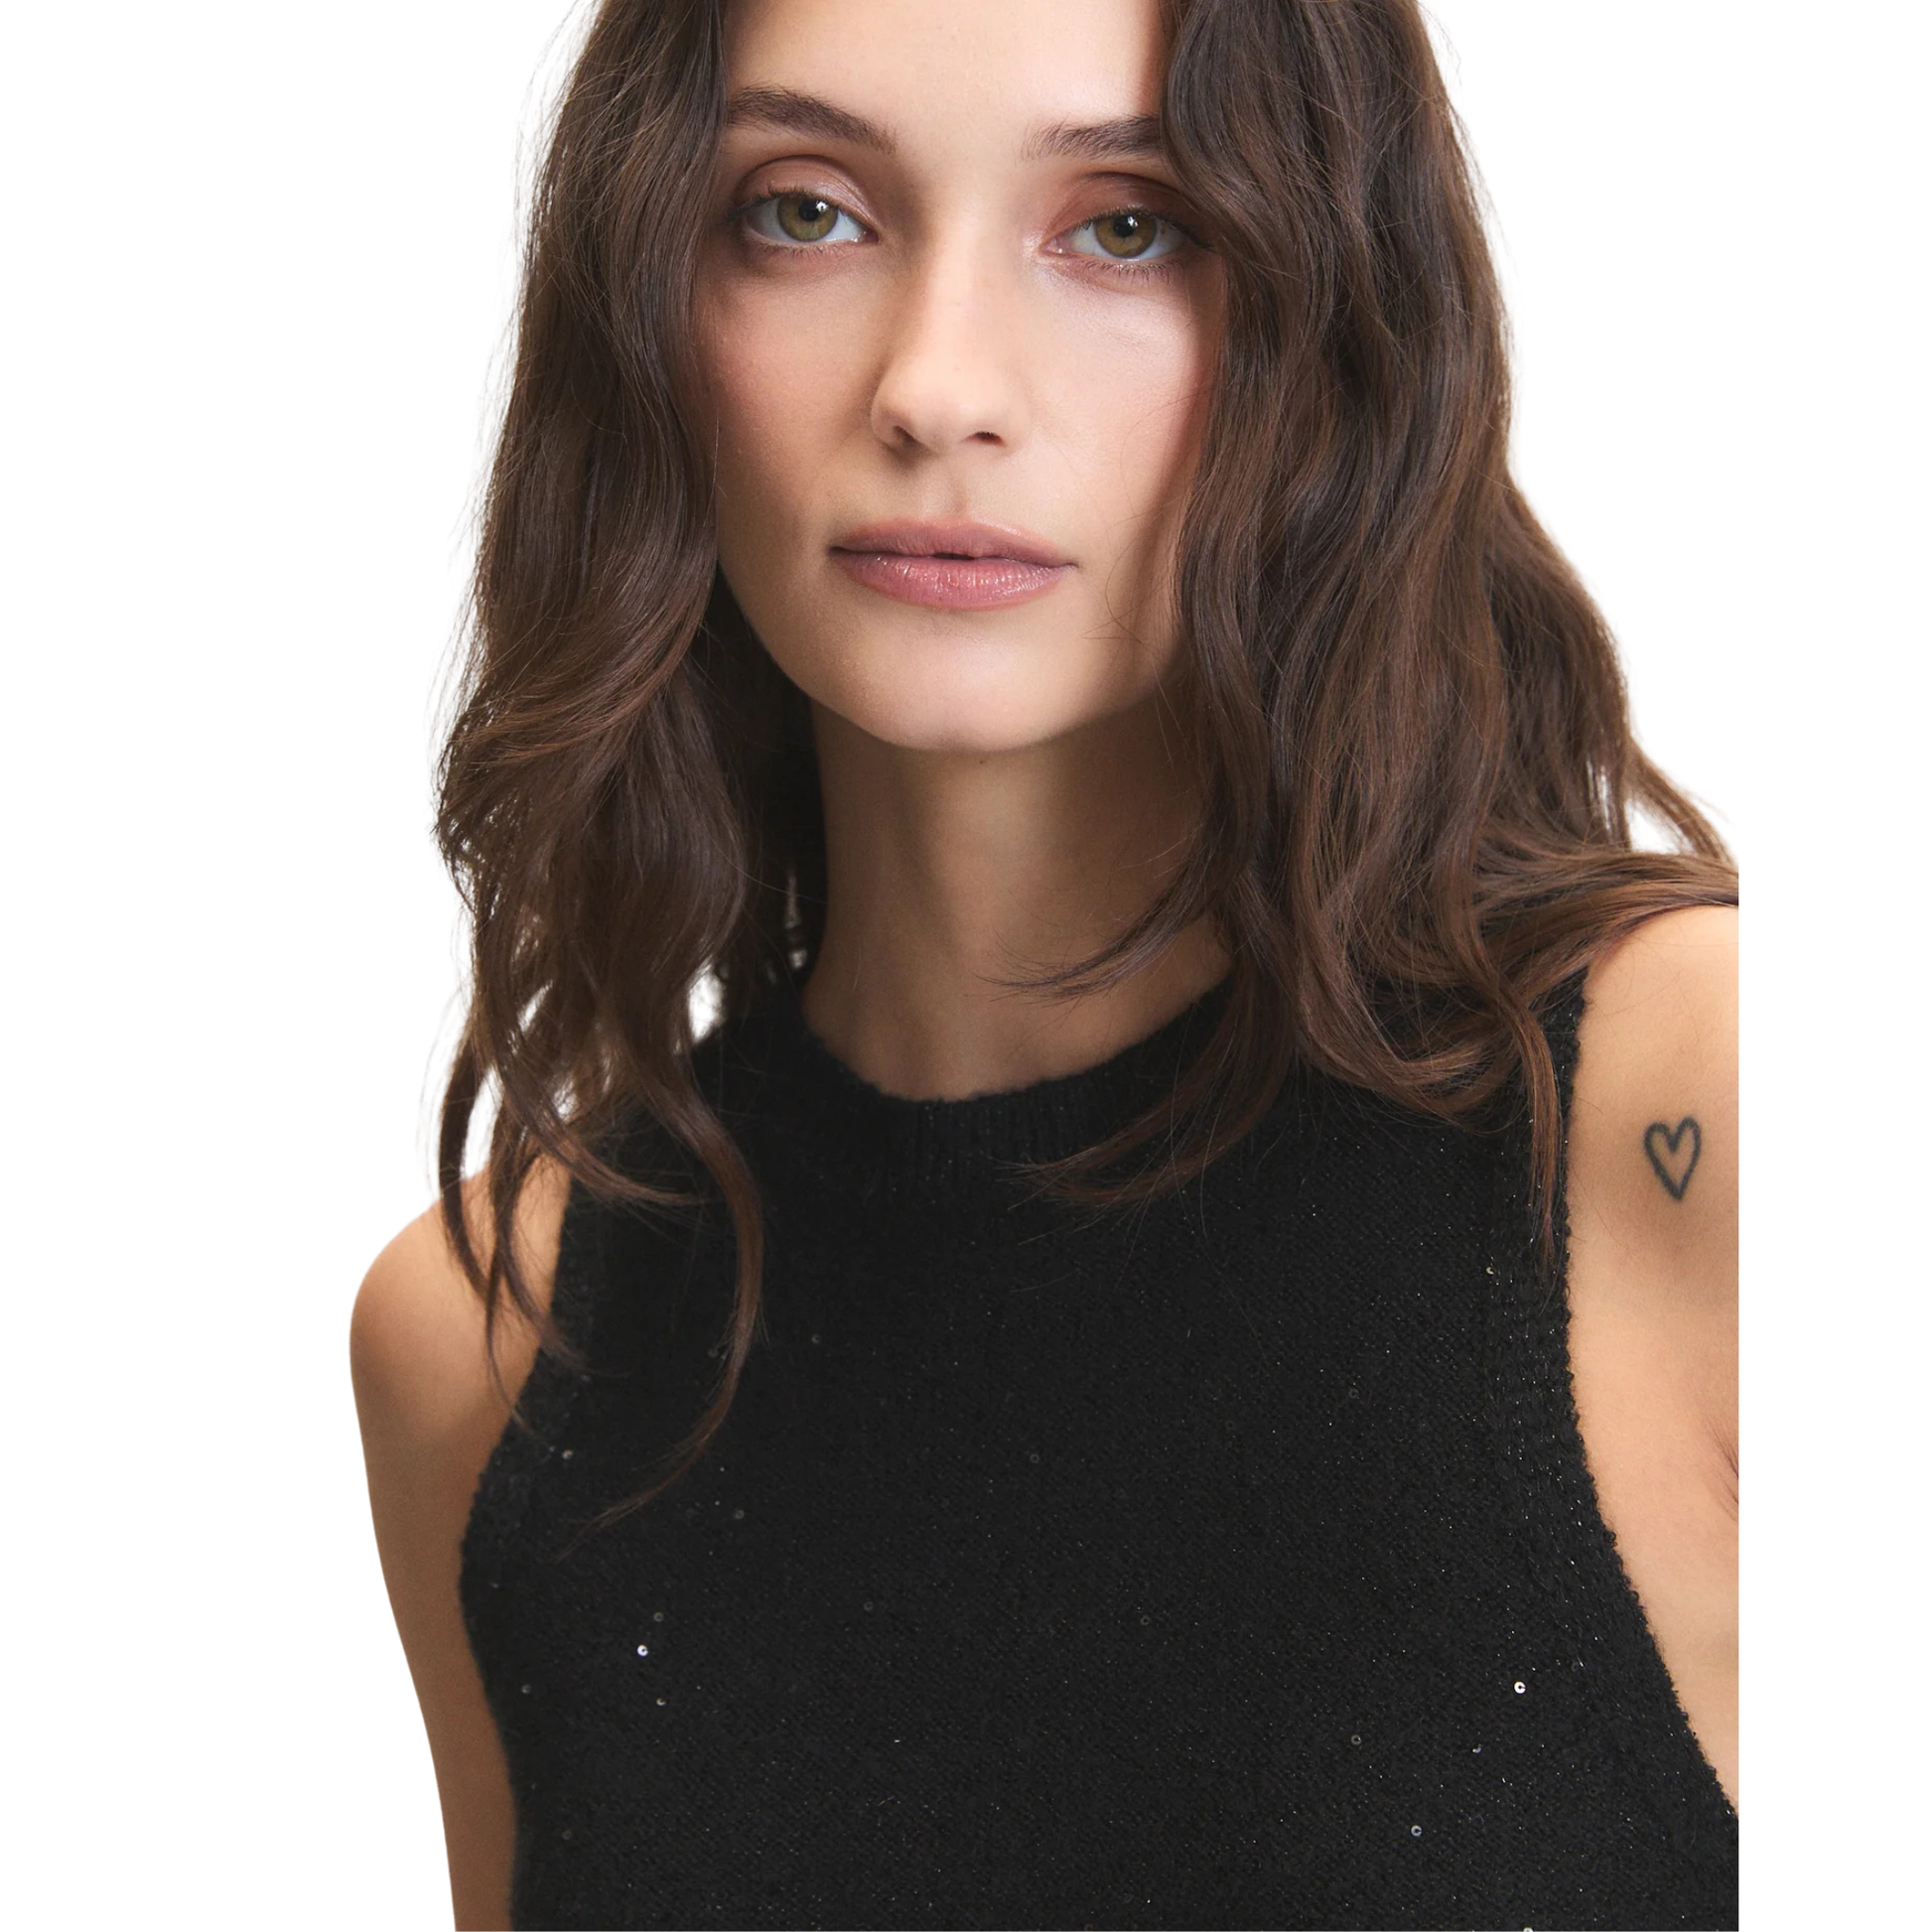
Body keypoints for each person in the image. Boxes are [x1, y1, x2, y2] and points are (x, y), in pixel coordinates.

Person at [351, 0, 1738, 1925]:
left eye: (1127, 225)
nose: (936, 388)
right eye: (804, 212)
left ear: (1340, 310)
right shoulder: (497, 1341)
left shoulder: (1698, 1122)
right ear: (646, 302)